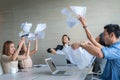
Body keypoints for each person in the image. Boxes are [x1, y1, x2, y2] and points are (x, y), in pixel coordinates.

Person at [72, 15, 120, 80]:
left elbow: (100, 53)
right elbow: (92, 40)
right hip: (103, 77)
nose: (103, 37)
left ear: (111, 35)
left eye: (105, 34)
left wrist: (82, 45)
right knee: (83, 77)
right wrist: (84, 24)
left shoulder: (118, 48)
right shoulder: (112, 47)